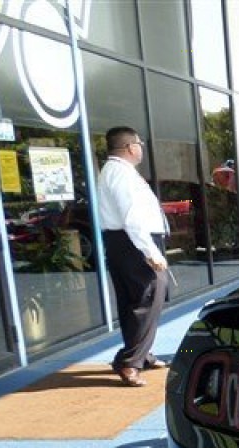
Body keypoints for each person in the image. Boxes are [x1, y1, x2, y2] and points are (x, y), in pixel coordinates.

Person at [97, 125, 169, 387]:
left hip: (127, 244)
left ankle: (139, 355)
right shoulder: (120, 173)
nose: (141, 148)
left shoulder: (118, 171)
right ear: (130, 147)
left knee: (135, 303)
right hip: (134, 244)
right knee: (146, 301)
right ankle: (130, 362)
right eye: (139, 144)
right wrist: (151, 252)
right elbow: (132, 217)